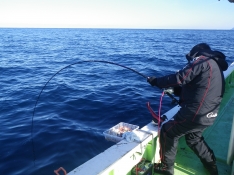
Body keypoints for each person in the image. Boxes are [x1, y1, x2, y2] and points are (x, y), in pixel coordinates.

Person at [147, 43, 228, 175]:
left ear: (197, 52)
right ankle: (211, 166)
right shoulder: (214, 65)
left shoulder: (202, 60)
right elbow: (199, 87)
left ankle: (166, 168)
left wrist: (156, 81)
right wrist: (176, 91)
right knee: (194, 138)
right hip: (210, 114)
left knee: (168, 131)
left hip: (195, 113)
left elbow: (180, 77)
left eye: (191, 57)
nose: (190, 60)